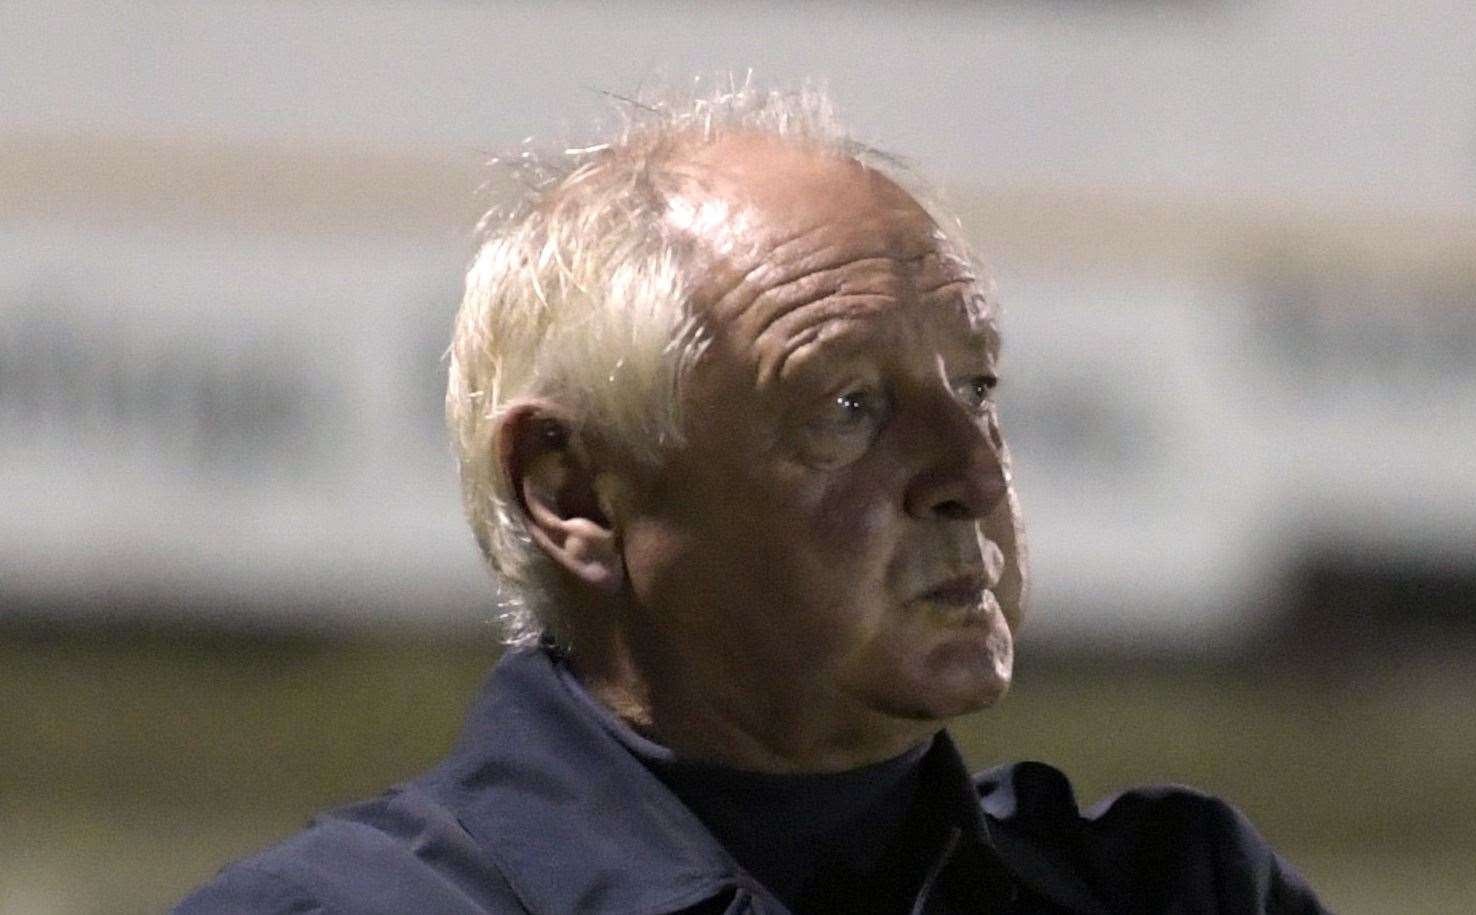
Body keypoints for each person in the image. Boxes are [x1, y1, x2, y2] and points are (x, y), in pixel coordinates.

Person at [177, 84, 1328, 914]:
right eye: (847, 410)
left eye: (975, 390)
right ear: (572, 493)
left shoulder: (1179, 888)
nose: (973, 479)